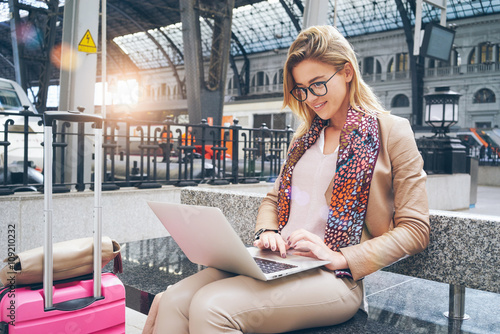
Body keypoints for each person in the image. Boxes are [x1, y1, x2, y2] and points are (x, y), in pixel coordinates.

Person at [143, 25, 429, 334]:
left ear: (347, 71)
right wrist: (268, 230)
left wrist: (340, 256)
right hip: (277, 260)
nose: (310, 98)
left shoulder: (392, 133)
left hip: (334, 277)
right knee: (173, 299)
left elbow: (415, 230)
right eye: (301, 89)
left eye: (318, 84)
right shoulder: (304, 138)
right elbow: (274, 199)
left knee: (211, 307)